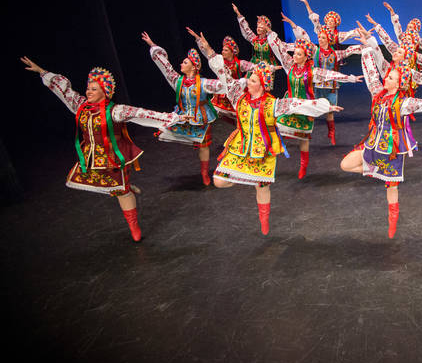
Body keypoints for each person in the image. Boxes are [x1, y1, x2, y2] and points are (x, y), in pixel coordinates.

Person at [193, 32, 341, 235]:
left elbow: (297, 103)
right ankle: (246, 177)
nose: (248, 82)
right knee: (219, 181)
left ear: (262, 85)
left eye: (252, 80)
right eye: (249, 79)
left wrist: (326, 106)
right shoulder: (237, 96)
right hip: (240, 146)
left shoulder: (273, 103)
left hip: (263, 149)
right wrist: (207, 48)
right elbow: (222, 71)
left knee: (262, 187)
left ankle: (264, 220)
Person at [21, 57, 181, 242]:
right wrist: (42, 71)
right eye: (88, 88)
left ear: (105, 91)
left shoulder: (116, 111)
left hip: (114, 158)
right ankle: (125, 186)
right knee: (101, 184)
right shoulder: (81, 106)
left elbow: (142, 114)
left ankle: (133, 224)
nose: (88, 92)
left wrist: (173, 118)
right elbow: (64, 90)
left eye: (93, 89)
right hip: (91, 158)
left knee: (121, 192)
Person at [340, 23, 422, 239]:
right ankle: (374, 169)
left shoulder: (404, 103)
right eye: (387, 77)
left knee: (391, 189)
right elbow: (371, 72)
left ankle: (392, 220)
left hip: (392, 149)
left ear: (399, 83)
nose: (386, 78)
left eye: (391, 78)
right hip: (372, 144)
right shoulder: (377, 93)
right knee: (345, 165)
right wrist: (367, 48)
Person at [265, 30, 363, 178]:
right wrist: (271, 34)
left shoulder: (312, 72)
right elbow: (279, 50)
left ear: (306, 57)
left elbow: (331, 75)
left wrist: (351, 78)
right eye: (294, 53)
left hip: (306, 107)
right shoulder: (289, 65)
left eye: (299, 54)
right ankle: (271, 153)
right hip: (290, 105)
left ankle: (303, 166)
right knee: (276, 126)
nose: (294, 56)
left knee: (303, 139)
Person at [141, 31, 222, 185]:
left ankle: (204, 172)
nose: (181, 64)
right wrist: (152, 45)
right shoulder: (177, 81)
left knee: (203, 147)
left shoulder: (204, 83)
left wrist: (209, 52)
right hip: (183, 116)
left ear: (193, 67)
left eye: (185, 62)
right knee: (165, 130)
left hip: (201, 118)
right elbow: (165, 66)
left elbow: (221, 83)